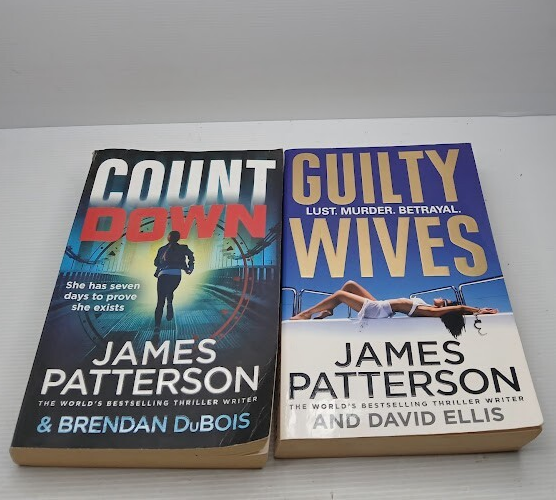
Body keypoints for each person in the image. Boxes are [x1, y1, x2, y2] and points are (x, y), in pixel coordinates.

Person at [291, 280, 498, 338]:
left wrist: (478, 311)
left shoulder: (431, 311)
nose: (441, 297)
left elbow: (459, 307)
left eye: (444, 299)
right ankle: (329, 311)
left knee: (340, 294)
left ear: (443, 306)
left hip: (379, 311)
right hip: (383, 307)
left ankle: (305, 314)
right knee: (350, 285)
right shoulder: (426, 306)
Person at [153, 231, 194, 331]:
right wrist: (189, 267)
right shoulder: (183, 248)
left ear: (168, 238)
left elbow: (156, 263)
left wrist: (162, 264)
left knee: (160, 301)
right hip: (176, 274)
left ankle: (157, 326)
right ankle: (170, 303)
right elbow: (191, 256)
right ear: (178, 238)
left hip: (163, 274)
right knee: (170, 290)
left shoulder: (162, 249)